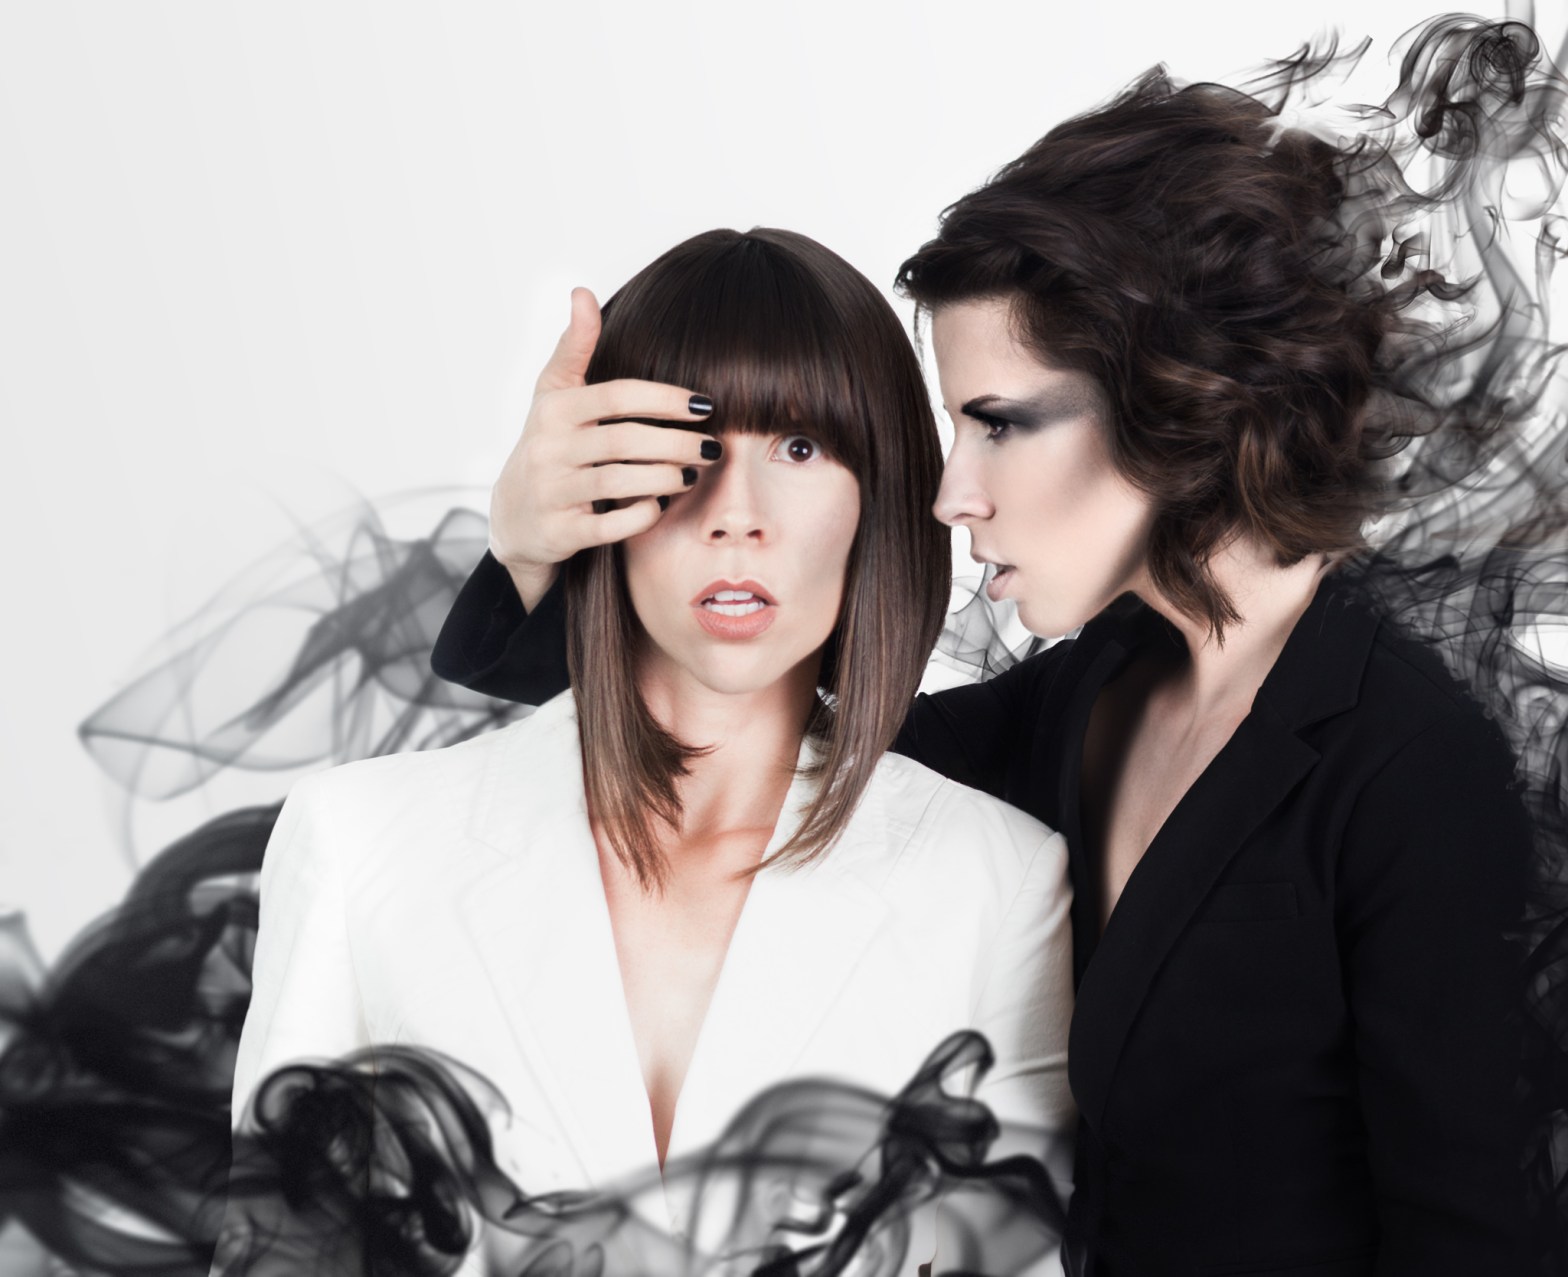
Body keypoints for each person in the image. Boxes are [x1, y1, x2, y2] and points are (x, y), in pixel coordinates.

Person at [429, 21, 1564, 1277]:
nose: (949, 492)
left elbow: (1476, 1237)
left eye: (997, 424)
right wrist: (529, 546)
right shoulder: (1089, 696)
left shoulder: (1411, 766)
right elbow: (735, 737)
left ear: (1176, 400)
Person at [224, 227, 1076, 1273]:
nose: (736, 517)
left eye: (800, 449)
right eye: (691, 446)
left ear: (883, 494)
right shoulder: (358, 843)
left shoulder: (998, 881)